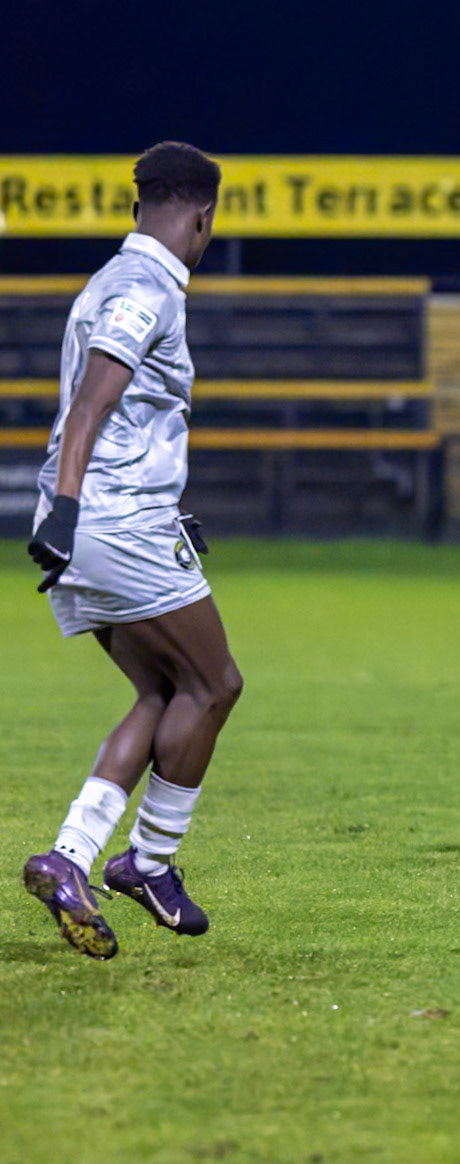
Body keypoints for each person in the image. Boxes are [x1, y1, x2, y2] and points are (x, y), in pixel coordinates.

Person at [21, 142, 243, 960]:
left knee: (162, 692)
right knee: (215, 684)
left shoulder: (109, 280)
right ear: (203, 218)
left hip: (101, 520)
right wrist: (68, 509)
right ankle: (147, 863)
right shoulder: (147, 287)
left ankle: (71, 858)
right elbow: (90, 404)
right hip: (110, 522)